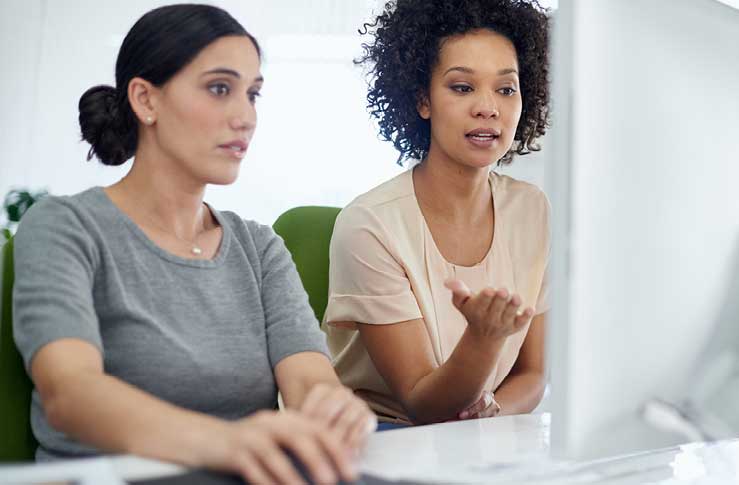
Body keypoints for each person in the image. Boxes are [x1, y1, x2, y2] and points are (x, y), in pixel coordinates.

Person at [13, 5, 374, 484]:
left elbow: (309, 378)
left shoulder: (258, 247)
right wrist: (225, 442)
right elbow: (70, 392)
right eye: (220, 89)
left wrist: (332, 409)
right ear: (146, 99)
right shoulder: (65, 226)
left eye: (253, 94)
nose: (245, 116)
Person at [324, 0, 551, 427]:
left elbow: (533, 374)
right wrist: (483, 339)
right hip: (382, 440)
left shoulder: (533, 210)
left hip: (483, 438)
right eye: (463, 87)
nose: (488, 107)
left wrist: (491, 415)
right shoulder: (370, 225)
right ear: (422, 100)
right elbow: (424, 405)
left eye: (506, 89)